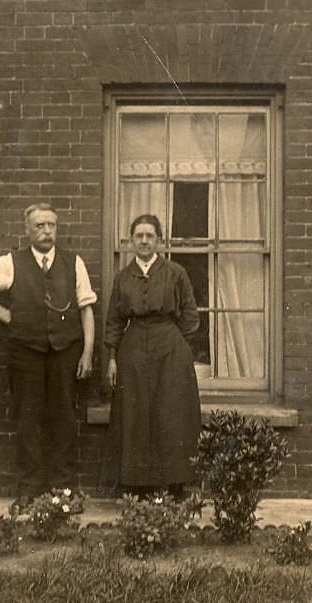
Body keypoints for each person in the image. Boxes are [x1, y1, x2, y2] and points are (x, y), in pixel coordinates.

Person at [0, 202, 96, 507]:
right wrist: (1, 311)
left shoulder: (73, 262)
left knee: (64, 418)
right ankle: (29, 490)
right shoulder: (12, 263)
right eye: (39, 225)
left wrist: (87, 353)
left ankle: (63, 489)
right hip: (26, 352)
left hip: (65, 351)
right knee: (28, 419)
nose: (46, 231)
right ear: (27, 230)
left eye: (51, 225)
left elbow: (86, 307)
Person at [104, 213, 201, 497]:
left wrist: (175, 347)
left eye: (150, 236)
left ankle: (175, 483)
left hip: (170, 348)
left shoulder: (175, 273)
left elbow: (191, 316)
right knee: (135, 414)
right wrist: (112, 357)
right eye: (139, 236)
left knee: (171, 413)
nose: (144, 241)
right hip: (133, 351)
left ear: (158, 240)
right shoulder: (123, 278)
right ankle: (138, 485)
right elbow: (114, 321)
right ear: (131, 241)